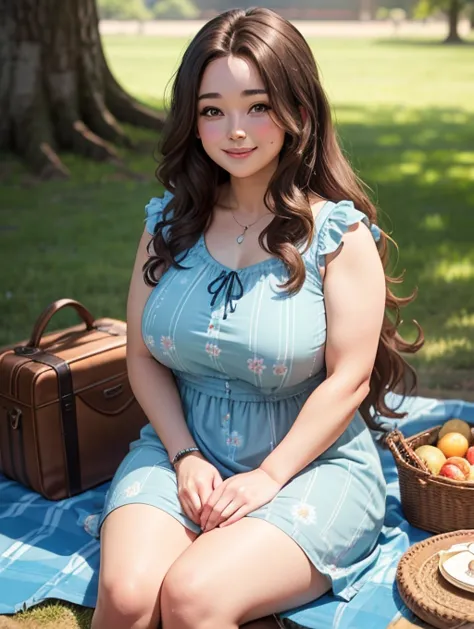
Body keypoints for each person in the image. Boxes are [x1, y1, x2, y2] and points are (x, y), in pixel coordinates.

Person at [92, 7, 423, 629]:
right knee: (131, 595)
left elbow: (349, 379)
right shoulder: (166, 222)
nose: (234, 130)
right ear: (192, 120)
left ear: (298, 110)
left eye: (258, 106)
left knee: (192, 597)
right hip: (181, 445)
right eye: (212, 109)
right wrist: (185, 455)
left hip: (310, 462)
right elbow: (140, 355)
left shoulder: (337, 234)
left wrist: (268, 477)